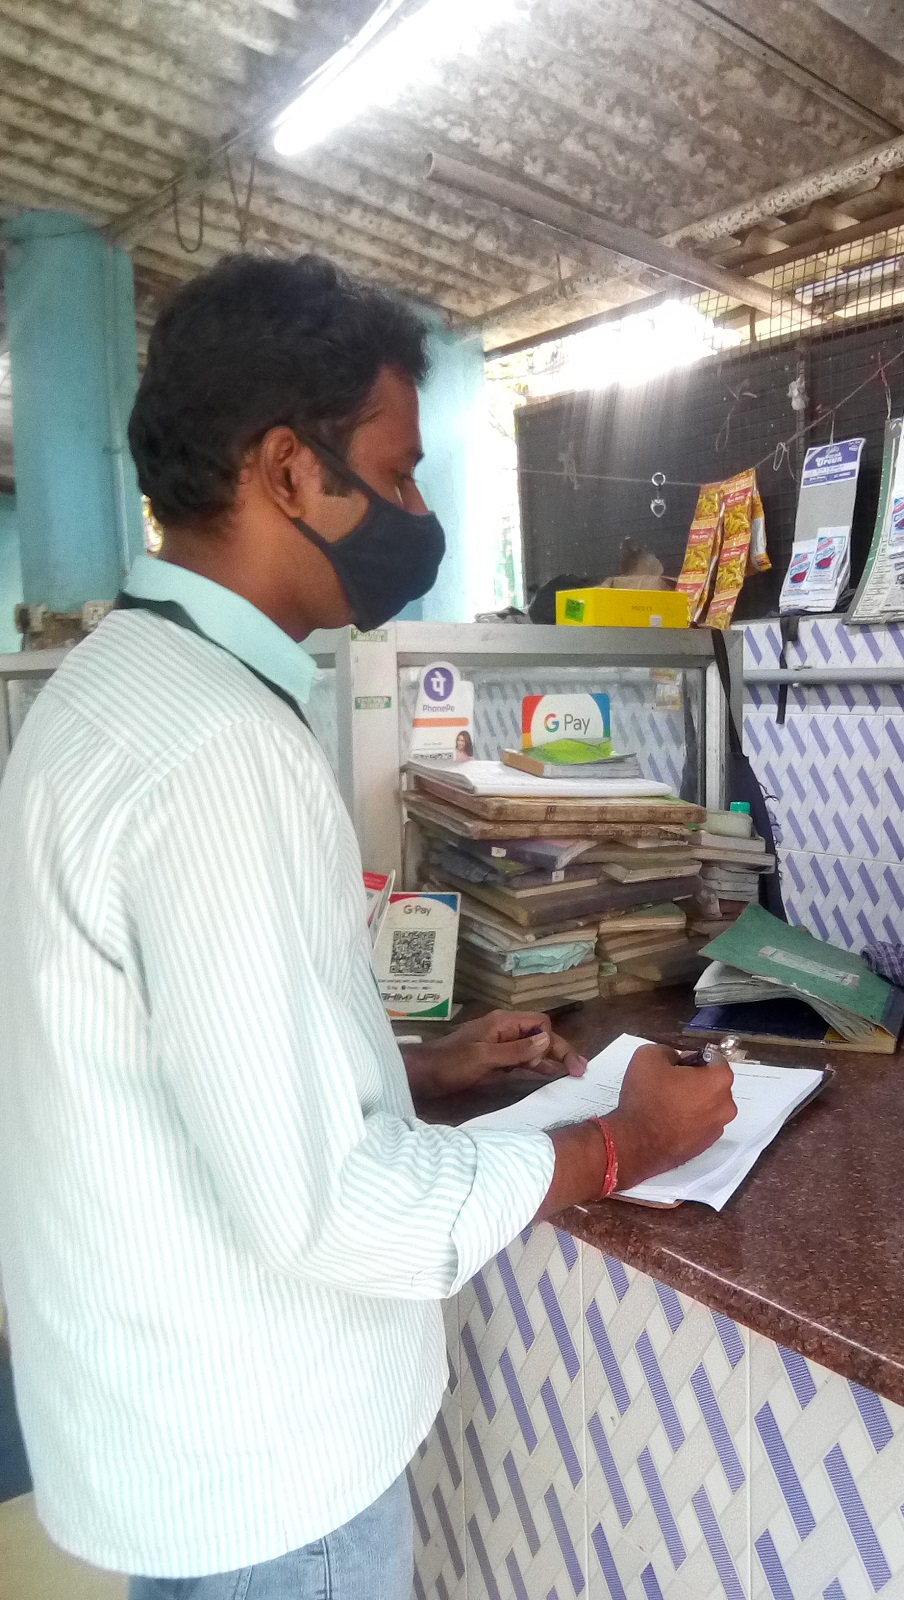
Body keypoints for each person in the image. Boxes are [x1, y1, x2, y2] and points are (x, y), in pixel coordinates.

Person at [0, 254, 736, 1598]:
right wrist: (624, 1142)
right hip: (272, 1472)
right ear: (289, 471)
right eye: (396, 475)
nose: (421, 511)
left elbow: (168, 1065)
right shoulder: (220, 751)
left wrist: (414, 1070)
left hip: (178, 1441)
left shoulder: (111, 689)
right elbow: (332, 1211)